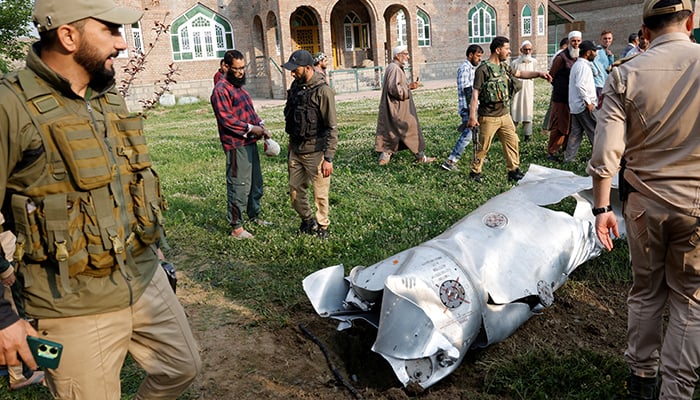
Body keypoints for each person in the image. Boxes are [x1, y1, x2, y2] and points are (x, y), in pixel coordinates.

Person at [0, 1, 202, 398]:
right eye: (110, 30)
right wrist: (3, 317)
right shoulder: (10, 106)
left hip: (142, 277)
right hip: (70, 305)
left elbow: (124, 185)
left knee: (182, 367)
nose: (122, 43)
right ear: (68, 36)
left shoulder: (108, 98)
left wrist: (154, 249)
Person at [588, 0, 700, 398]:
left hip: (643, 204)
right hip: (696, 206)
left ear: (645, 31)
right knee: (691, 299)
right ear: (691, 22)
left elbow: (606, 152)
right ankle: (677, 391)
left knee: (646, 291)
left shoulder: (625, 73)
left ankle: (641, 379)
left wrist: (602, 208)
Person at [468, 36, 551, 183]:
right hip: (488, 116)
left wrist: (539, 74)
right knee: (483, 147)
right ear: (498, 50)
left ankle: (513, 171)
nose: (509, 51)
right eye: (506, 48)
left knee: (512, 141)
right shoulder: (483, 70)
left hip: (505, 114)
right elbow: (475, 95)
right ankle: (475, 172)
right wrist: (472, 117)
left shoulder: (504, 67)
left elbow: (520, 74)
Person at [211, 50, 271, 239]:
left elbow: (250, 113)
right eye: (236, 69)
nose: (240, 72)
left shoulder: (240, 89)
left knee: (255, 182)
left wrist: (261, 125)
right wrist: (252, 128)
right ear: (225, 66)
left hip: (250, 142)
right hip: (236, 145)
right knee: (239, 184)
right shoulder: (221, 90)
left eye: (242, 68)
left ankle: (254, 216)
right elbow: (226, 120)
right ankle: (236, 227)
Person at [282, 49, 338, 239]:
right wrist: (291, 144)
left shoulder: (323, 91)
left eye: (295, 69)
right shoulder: (295, 87)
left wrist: (328, 158)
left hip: (316, 151)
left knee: (320, 194)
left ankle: (323, 227)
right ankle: (307, 221)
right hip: (296, 149)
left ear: (307, 68)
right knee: (295, 192)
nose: (292, 73)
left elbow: (331, 127)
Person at [0, 214, 44, 390]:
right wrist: (4, 268)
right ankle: (20, 374)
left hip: (8, 252)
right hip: (5, 257)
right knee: (12, 316)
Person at [375, 45, 435, 165]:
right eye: (406, 54)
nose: (408, 57)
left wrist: (408, 86)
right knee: (410, 129)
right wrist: (409, 87)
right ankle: (420, 157)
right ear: (398, 56)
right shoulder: (394, 68)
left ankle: (385, 157)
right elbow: (394, 89)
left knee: (393, 131)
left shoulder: (394, 67)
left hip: (396, 107)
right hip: (398, 109)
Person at [441, 44, 484, 172]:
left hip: (472, 106)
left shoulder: (471, 68)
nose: (479, 59)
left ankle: (477, 157)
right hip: (468, 108)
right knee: (468, 134)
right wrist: (472, 111)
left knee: (475, 133)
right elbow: (467, 90)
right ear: (470, 55)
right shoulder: (465, 68)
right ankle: (451, 160)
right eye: (477, 56)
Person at [546, 30, 581, 161]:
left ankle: (566, 149)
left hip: (573, 98)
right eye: (573, 41)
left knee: (570, 125)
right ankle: (552, 151)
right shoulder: (561, 57)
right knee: (559, 125)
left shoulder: (579, 56)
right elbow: (551, 76)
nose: (576, 44)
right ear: (569, 42)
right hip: (561, 97)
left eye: (578, 41)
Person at [565, 40, 598, 163]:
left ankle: (569, 159)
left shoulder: (578, 65)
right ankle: (598, 158)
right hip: (583, 105)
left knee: (576, 133)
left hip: (576, 106)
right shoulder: (582, 66)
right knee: (594, 131)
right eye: (594, 51)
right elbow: (580, 85)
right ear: (588, 53)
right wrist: (588, 102)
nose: (595, 54)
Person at [510, 40, 538, 142]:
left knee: (528, 111)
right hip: (517, 92)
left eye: (529, 49)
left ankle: (527, 135)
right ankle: (513, 135)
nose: (527, 52)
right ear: (521, 50)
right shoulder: (515, 63)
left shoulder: (534, 62)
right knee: (515, 111)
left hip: (528, 91)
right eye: (525, 49)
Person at [593, 30, 614, 107]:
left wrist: (611, 57)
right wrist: (595, 71)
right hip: (598, 84)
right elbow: (589, 61)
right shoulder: (597, 50)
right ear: (600, 39)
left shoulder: (608, 52)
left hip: (605, 84)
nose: (607, 40)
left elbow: (610, 68)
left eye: (609, 38)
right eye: (605, 38)